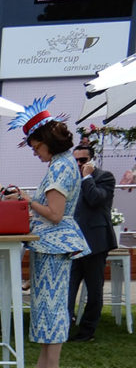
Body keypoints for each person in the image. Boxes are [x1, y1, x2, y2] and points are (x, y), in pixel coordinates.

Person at [9, 97, 90, 368]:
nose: (35, 153)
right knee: (46, 305)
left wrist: (27, 201)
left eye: (35, 147)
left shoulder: (60, 168)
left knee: (52, 306)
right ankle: (44, 366)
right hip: (52, 245)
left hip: (54, 243)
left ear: (45, 142)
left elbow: (55, 214)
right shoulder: (64, 164)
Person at [67, 143, 117, 342]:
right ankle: (64, 326)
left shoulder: (104, 177)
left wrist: (87, 178)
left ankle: (87, 331)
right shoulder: (70, 179)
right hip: (72, 242)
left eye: (83, 160)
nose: (78, 164)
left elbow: (96, 199)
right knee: (69, 287)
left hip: (95, 242)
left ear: (91, 161)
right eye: (75, 160)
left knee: (94, 290)